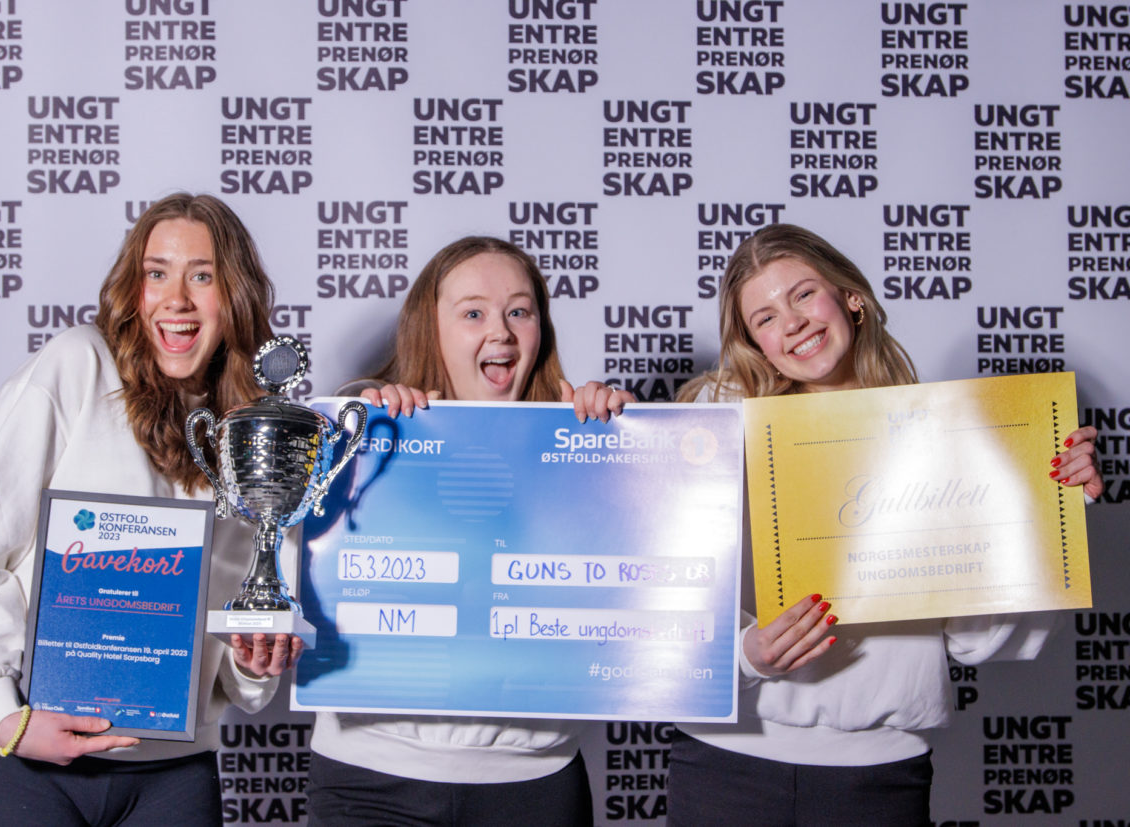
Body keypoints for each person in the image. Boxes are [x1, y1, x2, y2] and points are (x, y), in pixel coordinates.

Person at [668, 224, 1103, 826]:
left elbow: (976, 641)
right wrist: (743, 652)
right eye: (764, 318)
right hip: (724, 761)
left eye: (803, 294)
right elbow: (665, 599)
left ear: (851, 296)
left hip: (878, 772)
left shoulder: (946, 433)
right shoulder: (713, 422)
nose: (791, 323)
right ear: (755, 344)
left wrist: (1051, 509)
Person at [0, 193, 304, 826]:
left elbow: (237, 637)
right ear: (133, 289)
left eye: (202, 276)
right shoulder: (77, 366)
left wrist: (251, 658)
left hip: (171, 774)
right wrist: (2, 717)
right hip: (25, 761)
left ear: (235, 295)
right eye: (157, 274)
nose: (177, 299)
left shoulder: (258, 432)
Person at [306, 236, 633, 826]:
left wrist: (622, 443)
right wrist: (364, 417)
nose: (501, 331)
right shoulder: (368, 429)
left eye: (519, 311)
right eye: (474, 313)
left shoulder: (587, 438)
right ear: (430, 329)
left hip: (533, 785)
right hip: (369, 779)